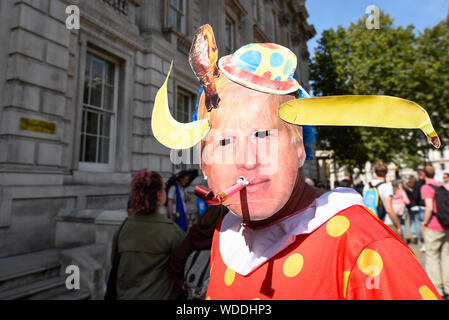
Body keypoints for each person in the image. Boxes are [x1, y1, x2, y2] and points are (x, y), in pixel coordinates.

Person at [151, 26, 441, 299]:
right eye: (224, 142)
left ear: (299, 144)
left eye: (263, 134)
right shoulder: (226, 232)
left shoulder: (361, 244)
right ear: (204, 164)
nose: (246, 161)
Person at [110, 169, 185, 300]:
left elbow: (115, 267)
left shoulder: (123, 229)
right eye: (163, 189)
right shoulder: (173, 232)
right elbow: (181, 273)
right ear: (159, 195)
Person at [168, 205, 229, 296]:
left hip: (192, 290)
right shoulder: (226, 238)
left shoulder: (194, 234)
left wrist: (185, 285)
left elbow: (177, 262)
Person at [420, 165, 449, 299]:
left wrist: (424, 223)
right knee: (446, 257)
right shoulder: (441, 186)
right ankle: (448, 287)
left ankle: (438, 289)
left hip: (434, 226)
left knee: (432, 257)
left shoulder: (426, 188)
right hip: (446, 225)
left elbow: (429, 208)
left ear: (424, 174)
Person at [363, 162, 403, 239]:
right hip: (386, 223)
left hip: (372, 223)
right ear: (386, 172)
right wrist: (398, 225)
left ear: (375, 172)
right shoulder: (387, 186)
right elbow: (388, 209)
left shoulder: (367, 186)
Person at [413, 168, 427, 250]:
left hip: (421, 206)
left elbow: (415, 195)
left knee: (422, 225)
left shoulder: (417, 184)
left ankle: (425, 242)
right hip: (430, 205)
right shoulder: (427, 182)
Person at [403, 176, 419, 244]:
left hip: (410, 207)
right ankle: (419, 237)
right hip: (417, 206)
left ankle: (414, 234)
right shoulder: (416, 187)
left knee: (412, 221)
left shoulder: (406, 189)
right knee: (417, 222)